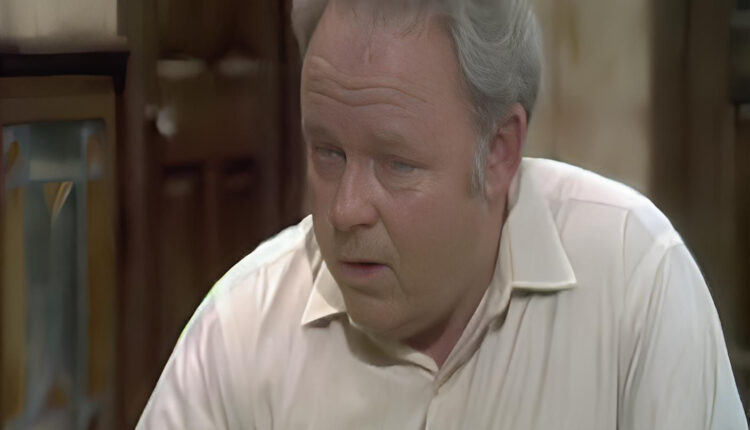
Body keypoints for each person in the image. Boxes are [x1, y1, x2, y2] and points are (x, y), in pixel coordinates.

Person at [136, 0, 748, 428]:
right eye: (328, 152)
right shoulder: (239, 330)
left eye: (396, 164)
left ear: (499, 151)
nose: (345, 211)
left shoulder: (636, 280)